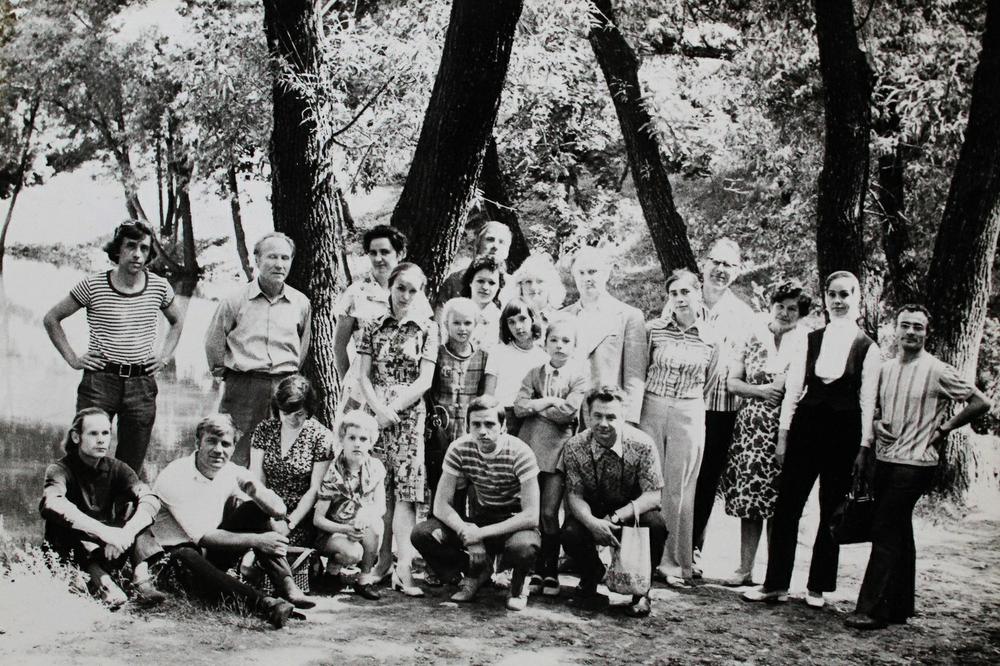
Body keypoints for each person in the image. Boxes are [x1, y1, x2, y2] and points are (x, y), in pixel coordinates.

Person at [845, 305, 991, 630]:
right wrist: (877, 423)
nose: (911, 332)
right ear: (896, 329)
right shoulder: (885, 369)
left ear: (927, 333)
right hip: (884, 460)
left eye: (918, 327)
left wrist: (945, 428)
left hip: (915, 463)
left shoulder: (937, 370)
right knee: (899, 529)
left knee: (885, 528)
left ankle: (871, 610)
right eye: (905, 325)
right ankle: (898, 607)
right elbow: (872, 407)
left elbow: (981, 402)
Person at [744, 270, 879, 608]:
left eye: (845, 294)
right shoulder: (810, 339)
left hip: (844, 433)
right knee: (787, 507)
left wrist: (864, 447)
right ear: (825, 297)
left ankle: (817, 587)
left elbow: (867, 401)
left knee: (831, 508)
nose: (838, 301)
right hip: (806, 428)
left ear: (857, 298)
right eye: (833, 294)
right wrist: (783, 436)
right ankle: (775, 584)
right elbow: (792, 391)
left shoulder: (868, 347)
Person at [43, 221, 185, 475]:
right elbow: (52, 318)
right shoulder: (93, 285)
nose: (137, 254)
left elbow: (177, 321)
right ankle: (77, 500)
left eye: (144, 248)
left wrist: (164, 357)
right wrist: (73, 359)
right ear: (118, 249)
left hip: (141, 384)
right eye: (131, 246)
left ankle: (120, 502)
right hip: (100, 381)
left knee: (130, 465)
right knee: (85, 456)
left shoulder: (159, 287)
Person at [152, 414, 313, 629]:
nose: (219, 450)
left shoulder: (230, 471)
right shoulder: (175, 475)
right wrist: (257, 541)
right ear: (198, 442)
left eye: (226, 444)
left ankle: (286, 584)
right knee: (185, 554)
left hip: (210, 553)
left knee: (253, 509)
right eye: (212, 441)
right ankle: (267, 604)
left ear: (233, 447)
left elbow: (279, 510)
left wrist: (256, 492)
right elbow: (204, 537)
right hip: (173, 560)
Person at [411, 396, 541, 611]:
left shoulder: (521, 452)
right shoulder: (459, 448)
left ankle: (518, 586)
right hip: (482, 516)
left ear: (503, 426)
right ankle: (476, 572)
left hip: (514, 522)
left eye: (489, 424)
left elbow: (531, 515)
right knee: (423, 533)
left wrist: (479, 534)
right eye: (476, 424)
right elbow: (441, 505)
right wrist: (467, 532)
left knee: (524, 547)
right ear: (467, 426)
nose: (482, 431)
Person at [721, 282, 811, 586]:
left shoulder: (806, 340)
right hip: (751, 427)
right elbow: (733, 383)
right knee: (751, 499)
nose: (784, 313)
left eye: (792, 309)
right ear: (772, 306)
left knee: (779, 501)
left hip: (789, 427)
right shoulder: (753, 333)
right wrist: (762, 391)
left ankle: (775, 573)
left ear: (801, 313)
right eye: (780, 306)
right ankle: (745, 568)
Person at [357, 262, 438, 594]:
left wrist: (394, 408)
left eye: (412, 290)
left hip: (408, 416)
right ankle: (382, 562)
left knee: (406, 492)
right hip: (375, 414)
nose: (405, 295)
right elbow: (363, 375)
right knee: (381, 489)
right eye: (400, 288)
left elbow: (425, 379)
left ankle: (404, 567)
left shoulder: (427, 328)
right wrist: (378, 410)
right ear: (390, 287)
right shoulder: (372, 324)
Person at [39, 407, 166, 607]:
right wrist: (105, 532)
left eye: (105, 433)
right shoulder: (60, 469)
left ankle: (141, 581)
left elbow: (150, 497)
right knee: (62, 519)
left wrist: (126, 533)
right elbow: (52, 503)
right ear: (76, 437)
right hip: (74, 548)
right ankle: (104, 586)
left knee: (136, 508)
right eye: (93, 433)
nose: (101, 440)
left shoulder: (118, 468)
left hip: (109, 546)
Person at [204, 231, 312, 467]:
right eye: (272, 257)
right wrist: (225, 373)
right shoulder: (235, 300)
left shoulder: (301, 303)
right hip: (244, 386)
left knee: (280, 456)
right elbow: (213, 342)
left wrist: (289, 377)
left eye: (285, 258)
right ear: (257, 260)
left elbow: (302, 345)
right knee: (235, 452)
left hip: (284, 387)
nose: (279, 264)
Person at [640, 269, 719, 586]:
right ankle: (639, 558)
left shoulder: (711, 337)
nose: (680, 299)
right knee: (648, 482)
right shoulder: (653, 330)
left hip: (689, 410)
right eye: (674, 293)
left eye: (685, 292)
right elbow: (642, 369)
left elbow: (710, 381)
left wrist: (685, 404)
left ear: (698, 294)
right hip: (652, 407)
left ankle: (672, 563)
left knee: (679, 489)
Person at [560, 386, 667, 617]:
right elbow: (575, 495)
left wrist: (616, 517)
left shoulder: (643, 444)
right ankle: (591, 575)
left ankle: (642, 591)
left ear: (623, 415)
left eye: (611, 417)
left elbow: (653, 496)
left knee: (656, 525)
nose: (603, 424)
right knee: (570, 532)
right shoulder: (575, 446)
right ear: (588, 415)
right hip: (594, 510)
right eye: (597, 416)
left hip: (630, 512)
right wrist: (592, 523)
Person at [688, 238, 756, 573]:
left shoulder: (744, 315)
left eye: (728, 265)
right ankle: (663, 545)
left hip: (721, 409)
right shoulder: (683, 301)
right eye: (716, 262)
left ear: (738, 271)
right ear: (704, 263)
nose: (720, 270)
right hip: (683, 404)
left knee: (706, 480)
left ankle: (692, 549)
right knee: (677, 477)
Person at [513, 317, 588, 596]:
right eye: (554, 340)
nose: (559, 346)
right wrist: (548, 401)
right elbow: (519, 407)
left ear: (575, 346)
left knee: (548, 511)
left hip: (558, 450)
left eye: (566, 341)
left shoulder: (578, 378)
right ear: (544, 344)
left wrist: (537, 408)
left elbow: (567, 413)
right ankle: (532, 569)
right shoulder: (534, 373)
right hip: (530, 446)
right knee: (529, 510)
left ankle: (550, 570)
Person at [332, 225, 431, 411]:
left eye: (385, 252)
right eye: (373, 253)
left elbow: (426, 343)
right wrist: (348, 381)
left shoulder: (416, 295)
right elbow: (339, 346)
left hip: (403, 390)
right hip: (361, 388)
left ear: (400, 254)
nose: (378, 259)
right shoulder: (356, 293)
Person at [561, 246, 647, 426]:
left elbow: (634, 375)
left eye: (593, 271)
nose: (587, 278)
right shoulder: (562, 317)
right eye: (581, 273)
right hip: (569, 414)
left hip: (608, 414)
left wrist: (628, 421)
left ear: (606, 273)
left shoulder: (628, 316)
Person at [249, 375, 334, 548]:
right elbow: (257, 477)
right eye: (286, 413)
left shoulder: (321, 436)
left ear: (308, 410)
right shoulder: (264, 430)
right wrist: (270, 515)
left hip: (300, 516)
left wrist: (289, 523)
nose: (291, 419)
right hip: (264, 508)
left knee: (276, 549)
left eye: (299, 414)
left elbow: (315, 489)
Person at [313, 410, 387, 601]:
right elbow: (318, 519)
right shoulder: (333, 474)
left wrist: (366, 515)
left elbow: (381, 507)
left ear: (371, 442)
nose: (357, 444)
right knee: (353, 553)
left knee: (376, 526)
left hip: (359, 527)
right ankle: (332, 571)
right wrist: (346, 529)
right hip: (333, 533)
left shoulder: (375, 468)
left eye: (363, 439)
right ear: (342, 440)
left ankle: (364, 579)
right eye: (351, 438)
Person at [426, 298, 490, 504]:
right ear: (446, 324)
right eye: (457, 323)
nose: (462, 328)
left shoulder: (483, 357)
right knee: (440, 486)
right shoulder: (437, 354)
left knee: (465, 487)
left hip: (468, 434)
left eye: (468, 323)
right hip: (441, 433)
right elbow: (429, 392)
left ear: (475, 324)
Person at [483, 296, 549, 434]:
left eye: (522, 319)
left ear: (533, 319)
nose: (518, 326)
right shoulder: (498, 352)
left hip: (530, 418)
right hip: (502, 416)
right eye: (511, 322)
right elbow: (488, 395)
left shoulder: (543, 357)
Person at [435, 221, 515, 311]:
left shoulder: (514, 286)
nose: (495, 246)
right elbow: (441, 316)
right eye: (490, 239)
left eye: (501, 242)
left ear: (507, 251)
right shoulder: (456, 280)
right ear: (478, 244)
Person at [460, 255, 505, 353]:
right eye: (480, 281)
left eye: (492, 283)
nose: (485, 287)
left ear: (499, 286)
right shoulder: (456, 311)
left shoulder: (501, 320)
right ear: (470, 282)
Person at [511, 253, 567, 328]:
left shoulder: (562, 321)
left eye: (540, 281)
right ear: (520, 286)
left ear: (551, 285)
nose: (533, 287)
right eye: (528, 281)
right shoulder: (511, 320)